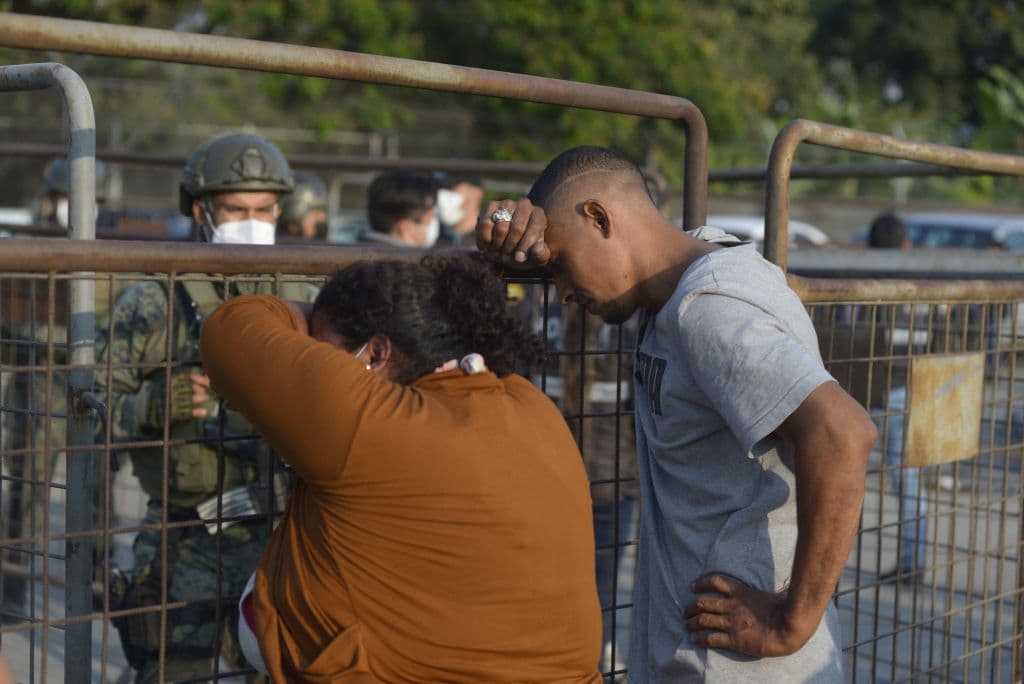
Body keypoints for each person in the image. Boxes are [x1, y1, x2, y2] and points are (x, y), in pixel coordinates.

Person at [476, 146, 877, 681]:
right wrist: (506, 237)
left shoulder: (706, 308)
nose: (565, 294)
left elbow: (842, 431)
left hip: (739, 663)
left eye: (564, 267)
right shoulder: (690, 274)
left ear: (599, 218)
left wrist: (792, 620)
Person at [200, 253, 602, 682]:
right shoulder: (531, 405)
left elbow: (229, 327)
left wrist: (305, 315)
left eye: (321, 352)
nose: (314, 364)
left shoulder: (368, 421)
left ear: (374, 353)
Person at [99, 132, 315, 683]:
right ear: (202, 211)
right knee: (171, 670)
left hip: (284, 535)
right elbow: (92, 411)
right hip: (186, 534)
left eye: (265, 209)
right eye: (237, 209)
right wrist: (155, 402)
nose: (253, 221)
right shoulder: (154, 300)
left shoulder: (301, 292)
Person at [0, 157, 110, 622]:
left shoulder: (112, 253)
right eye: (64, 197)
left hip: (92, 382)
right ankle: (12, 589)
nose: (70, 206)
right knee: (27, 494)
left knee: (99, 492)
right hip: (38, 382)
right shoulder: (29, 249)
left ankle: (98, 586)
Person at [867, 211, 928, 584]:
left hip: (872, 386)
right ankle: (912, 559)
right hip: (908, 385)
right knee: (907, 475)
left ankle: (911, 560)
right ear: (905, 244)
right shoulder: (920, 282)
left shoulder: (865, 280)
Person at [361, 171, 439, 247]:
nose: (433, 227)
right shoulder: (409, 258)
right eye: (429, 221)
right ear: (405, 229)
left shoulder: (355, 251)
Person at [435, 173, 485, 247]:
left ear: (476, 194)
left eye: (451, 188)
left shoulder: (489, 241)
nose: (442, 195)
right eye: (439, 188)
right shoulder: (430, 240)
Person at [277, 170, 329, 241]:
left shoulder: (328, 250)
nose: (322, 217)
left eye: (323, 210)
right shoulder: (270, 248)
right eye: (316, 210)